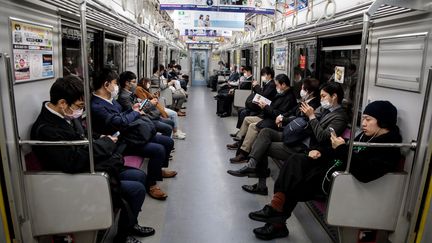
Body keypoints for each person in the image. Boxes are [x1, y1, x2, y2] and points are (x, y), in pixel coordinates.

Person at [248, 101, 402, 240]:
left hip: (340, 184)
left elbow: (364, 172)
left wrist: (340, 148)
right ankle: (277, 211)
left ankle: (277, 217)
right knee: (296, 160)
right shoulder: (365, 136)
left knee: (294, 178)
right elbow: (342, 149)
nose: (363, 123)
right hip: (332, 171)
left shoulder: (388, 149)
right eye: (363, 119)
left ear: (383, 121)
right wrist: (319, 151)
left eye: (368, 119)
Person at [30, 76, 155, 243]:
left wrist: (100, 137)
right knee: (137, 189)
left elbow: (80, 136)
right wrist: (105, 143)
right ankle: (122, 237)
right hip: (73, 179)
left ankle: (130, 224)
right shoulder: (46, 130)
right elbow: (72, 161)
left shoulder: (63, 116)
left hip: (89, 165)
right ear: (62, 103)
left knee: (139, 176)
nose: (80, 111)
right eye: (79, 106)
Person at [228, 82, 349, 195]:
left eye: (323, 96)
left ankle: (261, 185)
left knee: (263, 146)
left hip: (306, 146)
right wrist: (285, 120)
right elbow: (302, 119)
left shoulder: (339, 117)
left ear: (334, 96)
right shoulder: (323, 109)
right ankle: (252, 164)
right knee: (265, 132)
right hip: (298, 136)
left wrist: (311, 116)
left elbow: (322, 137)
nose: (321, 99)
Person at [91, 68, 177, 200]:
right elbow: (118, 122)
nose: (116, 86)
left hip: (129, 134)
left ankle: (158, 169)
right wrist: (135, 113)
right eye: (115, 83)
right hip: (120, 142)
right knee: (158, 150)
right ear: (106, 85)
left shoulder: (111, 100)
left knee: (168, 142)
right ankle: (151, 185)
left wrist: (132, 110)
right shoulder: (97, 106)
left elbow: (121, 115)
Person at [227, 74, 296, 163]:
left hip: (274, 121)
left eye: (277, 85)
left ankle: (243, 153)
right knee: (247, 119)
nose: (276, 87)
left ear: (283, 85)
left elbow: (279, 114)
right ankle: (240, 142)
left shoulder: (289, 98)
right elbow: (274, 107)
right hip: (268, 116)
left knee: (253, 126)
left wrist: (266, 107)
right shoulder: (282, 94)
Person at [117, 71, 174, 137]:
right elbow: (134, 112)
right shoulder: (124, 97)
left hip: (146, 115)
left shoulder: (130, 93)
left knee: (171, 122)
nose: (136, 84)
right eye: (134, 82)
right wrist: (150, 103)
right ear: (127, 83)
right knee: (168, 128)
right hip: (141, 119)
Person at [231, 67, 277, 137]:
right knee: (241, 110)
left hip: (263, 108)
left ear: (269, 75)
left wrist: (257, 86)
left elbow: (263, 95)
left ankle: (241, 134)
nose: (262, 77)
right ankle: (240, 131)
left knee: (244, 112)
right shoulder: (267, 84)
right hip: (260, 105)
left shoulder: (272, 85)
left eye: (264, 75)